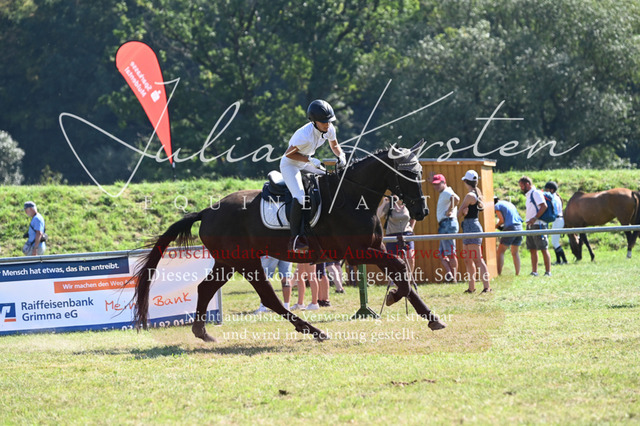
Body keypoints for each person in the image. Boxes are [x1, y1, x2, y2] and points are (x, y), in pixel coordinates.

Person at [280, 100, 347, 253]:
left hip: (305, 162)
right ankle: (295, 239)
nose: (327, 124)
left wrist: (341, 155)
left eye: (329, 121)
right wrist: (309, 159)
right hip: (290, 165)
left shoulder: (329, 128)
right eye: (324, 122)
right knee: (300, 197)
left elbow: (334, 145)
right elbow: (288, 154)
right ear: (314, 121)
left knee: (329, 178)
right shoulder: (304, 135)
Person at [458, 170, 491, 293]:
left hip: (471, 227)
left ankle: (487, 287)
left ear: (467, 182)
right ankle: (471, 287)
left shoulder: (470, 196)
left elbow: (459, 213)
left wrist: (461, 213)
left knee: (477, 259)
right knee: (468, 260)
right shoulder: (474, 194)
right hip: (468, 226)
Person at [377, 195, 416, 282]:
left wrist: (411, 228)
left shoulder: (408, 204)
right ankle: (395, 281)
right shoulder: (389, 205)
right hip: (392, 235)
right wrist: (384, 203)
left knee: (410, 258)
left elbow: (414, 217)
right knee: (393, 261)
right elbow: (378, 215)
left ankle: (408, 281)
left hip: (406, 234)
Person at [519, 176, 551, 276]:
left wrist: (534, 218)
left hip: (538, 225)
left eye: (522, 186)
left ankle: (548, 272)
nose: (521, 188)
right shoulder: (528, 195)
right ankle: (534, 272)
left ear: (527, 184)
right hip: (530, 225)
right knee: (532, 249)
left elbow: (544, 206)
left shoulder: (536, 193)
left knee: (543, 248)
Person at [431, 174, 460, 282]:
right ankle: (450, 275)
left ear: (444, 183)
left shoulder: (447, 192)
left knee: (450, 254)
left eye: (438, 184)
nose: (436, 186)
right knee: (441, 254)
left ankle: (454, 278)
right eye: (434, 184)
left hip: (448, 223)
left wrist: (450, 210)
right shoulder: (445, 192)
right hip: (445, 224)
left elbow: (456, 199)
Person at [494, 195, 523, 276]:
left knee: (500, 252)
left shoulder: (497, 206)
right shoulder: (508, 203)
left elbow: (501, 220)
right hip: (519, 227)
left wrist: (496, 226)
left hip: (511, 228)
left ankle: (498, 273)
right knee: (515, 252)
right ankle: (517, 273)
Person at [545, 181, 568, 265]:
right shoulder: (555, 197)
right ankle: (558, 260)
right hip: (557, 220)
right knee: (554, 241)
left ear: (552, 190)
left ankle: (564, 260)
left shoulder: (553, 198)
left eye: (547, 189)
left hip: (558, 220)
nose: (546, 191)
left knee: (554, 242)